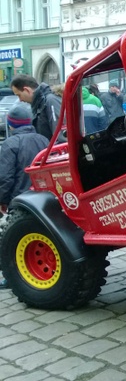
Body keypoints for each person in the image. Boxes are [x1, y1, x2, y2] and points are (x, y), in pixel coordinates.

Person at [0, 104, 49, 288]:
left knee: (15, 240)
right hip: (43, 198)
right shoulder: (43, 139)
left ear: (11, 124)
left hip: (20, 199)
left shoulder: (11, 143)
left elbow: (5, 177)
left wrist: (2, 199)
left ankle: (12, 277)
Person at [10, 74, 61, 141]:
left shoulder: (50, 101)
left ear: (27, 90)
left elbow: (60, 135)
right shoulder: (40, 103)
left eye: (19, 95)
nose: (20, 100)